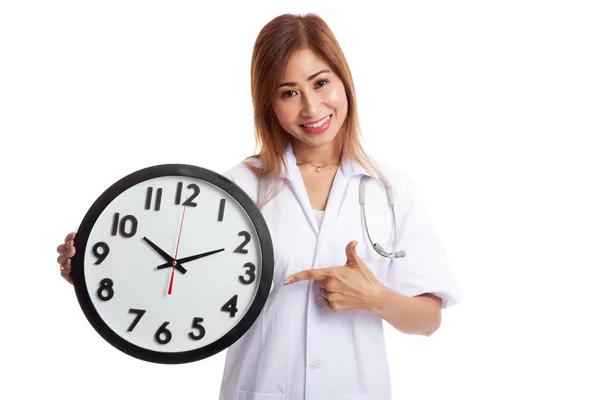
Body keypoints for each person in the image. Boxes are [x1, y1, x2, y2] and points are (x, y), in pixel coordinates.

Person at [56, 13, 462, 400]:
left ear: (344, 81)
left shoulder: (390, 189)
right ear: (269, 105)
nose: (311, 108)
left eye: (321, 83)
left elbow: (429, 318)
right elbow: (179, 273)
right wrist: (98, 273)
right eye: (289, 93)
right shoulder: (239, 186)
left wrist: (376, 298)